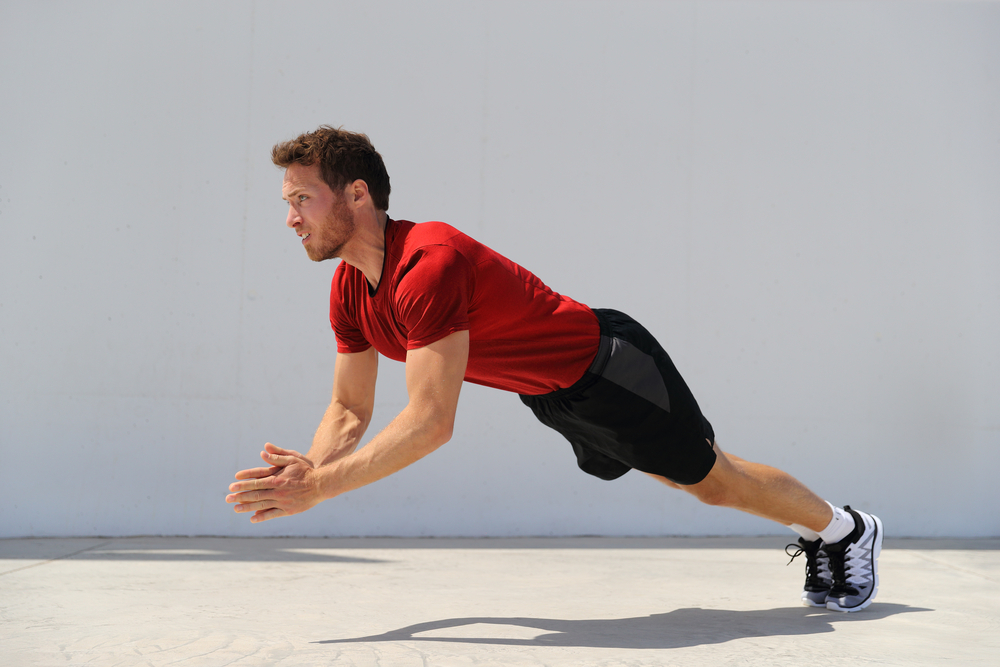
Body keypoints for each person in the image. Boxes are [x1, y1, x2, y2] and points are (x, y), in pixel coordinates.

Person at [225, 126, 883, 612]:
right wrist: (310, 466)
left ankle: (844, 528)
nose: (290, 218)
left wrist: (322, 488)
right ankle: (826, 526)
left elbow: (429, 423)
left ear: (357, 194)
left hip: (613, 368)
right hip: (552, 399)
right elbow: (348, 409)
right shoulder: (348, 289)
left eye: (303, 199)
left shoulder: (429, 263)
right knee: (678, 474)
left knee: (713, 480)